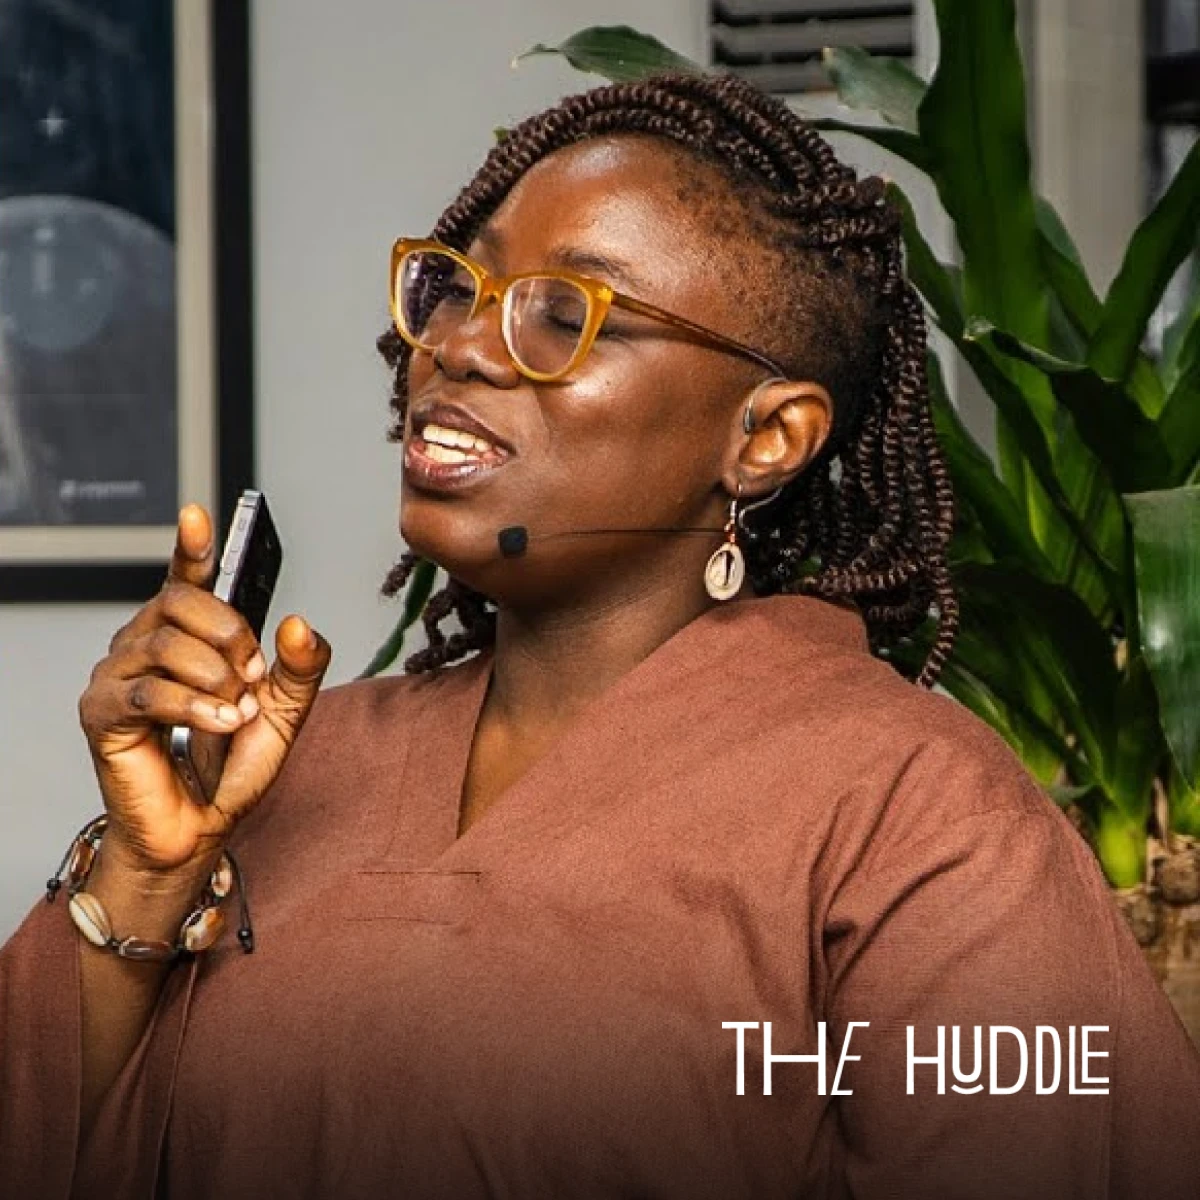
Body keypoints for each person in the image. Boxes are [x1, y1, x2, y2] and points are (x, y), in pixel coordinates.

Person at [2, 72, 1198, 1200]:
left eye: (564, 313)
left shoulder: (918, 815)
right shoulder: (295, 764)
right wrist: (146, 876)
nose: (457, 346)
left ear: (767, 437)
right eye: (460, 290)